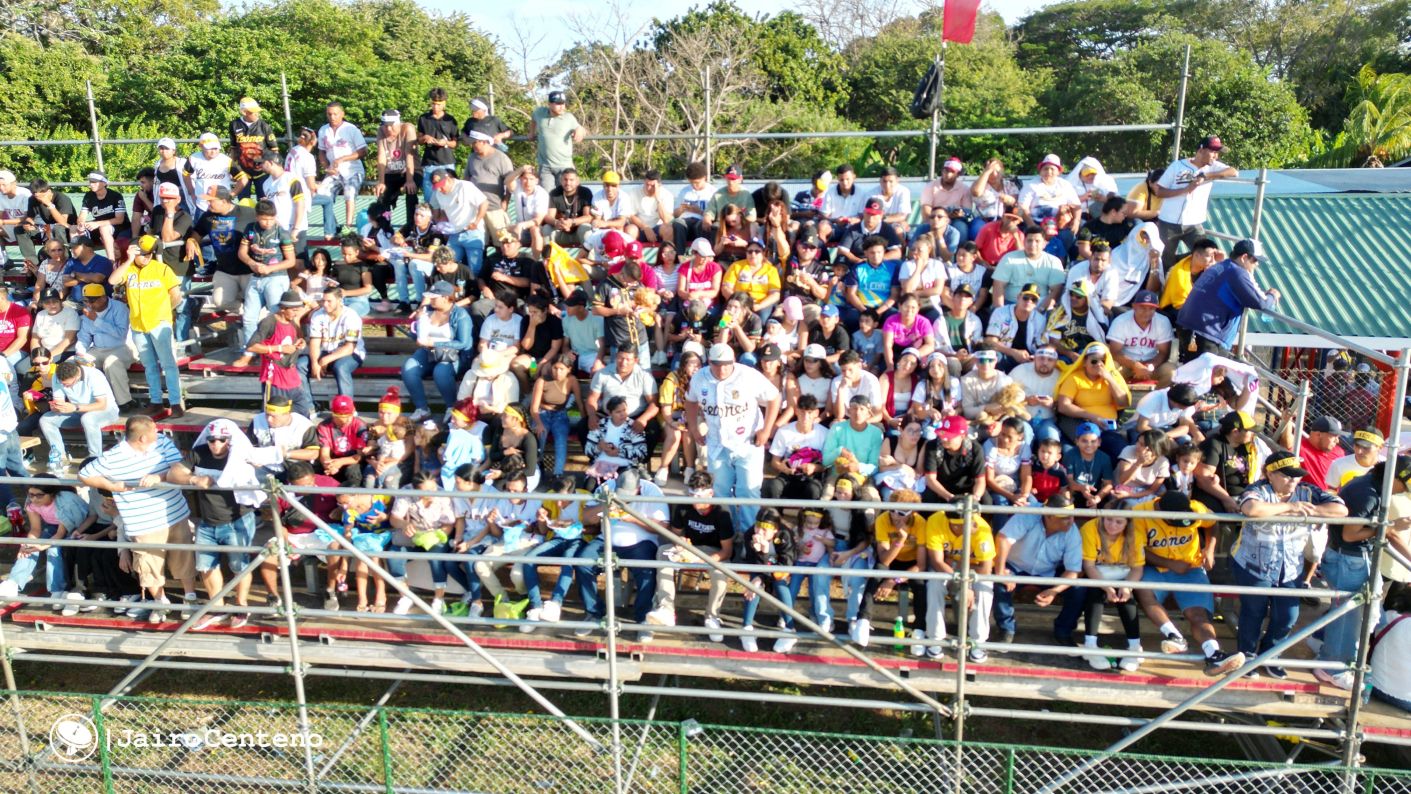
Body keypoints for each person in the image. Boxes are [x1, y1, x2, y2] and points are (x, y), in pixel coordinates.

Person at [1236, 451, 1348, 678]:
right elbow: (1252, 509)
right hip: (1253, 566)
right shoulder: (1257, 489)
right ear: (1270, 474)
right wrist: (1291, 508)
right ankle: (1247, 656)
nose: (1293, 481)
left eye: (1296, 475)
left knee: (1288, 616)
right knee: (1253, 612)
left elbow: (1342, 510)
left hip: (1290, 567)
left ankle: (1270, 655)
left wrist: (1313, 511)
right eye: (1287, 475)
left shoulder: (1307, 491)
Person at [79, 415, 199, 623]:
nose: (158, 432)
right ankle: (161, 602)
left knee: (184, 558)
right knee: (147, 565)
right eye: (154, 430)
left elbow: (179, 467)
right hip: (141, 521)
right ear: (143, 438)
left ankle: (189, 599)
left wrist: (159, 478)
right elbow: (84, 474)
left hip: (174, 513)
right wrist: (112, 486)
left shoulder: (162, 442)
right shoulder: (113, 456)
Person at [167, 419, 280, 629]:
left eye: (222, 440)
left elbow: (275, 460)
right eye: (212, 439)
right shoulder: (199, 452)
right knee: (205, 566)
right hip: (207, 520)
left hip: (237, 519)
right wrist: (193, 480)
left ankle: (241, 605)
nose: (216, 444)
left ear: (231, 440)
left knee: (240, 565)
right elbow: (174, 473)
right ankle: (217, 608)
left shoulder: (242, 455)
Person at [1314, 457, 1411, 688]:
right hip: (1348, 560)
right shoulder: (1367, 493)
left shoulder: (1371, 485)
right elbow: (1350, 534)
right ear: (1399, 479)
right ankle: (1332, 669)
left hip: (1354, 559)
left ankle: (1323, 647)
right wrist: (1390, 526)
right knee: (1349, 618)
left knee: (1360, 614)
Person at [1133, 491, 1246, 675]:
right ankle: (1174, 636)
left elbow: (1213, 523)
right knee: (1144, 592)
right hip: (1155, 568)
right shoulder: (1140, 513)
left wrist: (1209, 549)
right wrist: (1169, 564)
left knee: (1199, 614)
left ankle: (1215, 655)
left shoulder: (1196, 508)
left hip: (1189, 567)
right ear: (1161, 510)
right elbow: (1138, 550)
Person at [685, 344, 781, 534]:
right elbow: (690, 400)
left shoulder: (748, 375)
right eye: (717, 364)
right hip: (717, 443)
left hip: (748, 441)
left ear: (734, 361)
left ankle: (749, 537)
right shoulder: (700, 377)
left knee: (749, 491)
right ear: (709, 362)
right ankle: (728, 535)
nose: (722, 369)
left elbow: (774, 397)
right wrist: (694, 427)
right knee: (720, 492)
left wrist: (767, 430)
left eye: (727, 364)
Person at [644, 471, 734, 639]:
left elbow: (726, 551)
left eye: (699, 495)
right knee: (663, 552)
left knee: (720, 577)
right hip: (689, 549)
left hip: (714, 552)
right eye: (691, 494)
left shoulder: (722, 512)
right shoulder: (684, 505)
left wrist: (703, 560)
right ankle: (666, 609)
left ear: (710, 494)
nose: (694, 500)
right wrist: (680, 542)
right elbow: (675, 533)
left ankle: (712, 616)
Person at [992, 491, 1083, 645]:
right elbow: (1003, 538)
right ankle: (1006, 629)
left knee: (1079, 590)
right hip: (1015, 565)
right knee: (999, 583)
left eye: (1072, 516)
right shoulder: (1029, 513)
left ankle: (1063, 631)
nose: (1071, 521)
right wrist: (1000, 571)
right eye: (1065, 518)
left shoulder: (1072, 531)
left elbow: (1073, 571)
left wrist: (1055, 590)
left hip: (1048, 571)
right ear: (1049, 516)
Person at [109, 235, 185, 417]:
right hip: (138, 325)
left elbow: (176, 295)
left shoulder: (162, 269)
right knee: (149, 366)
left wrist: (164, 314)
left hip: (158, 324)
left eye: (149, 254)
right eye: (142, 253)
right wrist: (128, 260)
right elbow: (112, 281)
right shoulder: (129, 269)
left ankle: (175, 403)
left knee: (168, 365)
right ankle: (156, 401)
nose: (146, 257)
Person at [0, 477, 91, 612]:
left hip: (76, 528)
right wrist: (28, 544)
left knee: (54, 549)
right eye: (31, 494)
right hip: (53, 527)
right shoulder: (31, 502)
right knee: (29, 547)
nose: (34, 499)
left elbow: (60, 534)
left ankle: (57, 589)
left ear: (52, 495)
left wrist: (42, 546)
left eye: (39, 495)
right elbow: (35, 529)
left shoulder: (63, 503)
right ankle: (13, 582)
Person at [851, 491, 928, 649]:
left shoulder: (920, 523)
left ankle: (919, 629)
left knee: (920, 584)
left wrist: (894, 580)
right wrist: (901, 539)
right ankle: (863, 620)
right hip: (890, 559)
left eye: (901, 512)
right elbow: (884, 559)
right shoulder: (883, 519)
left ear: (912, 513)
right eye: (892, 509)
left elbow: (921, 565)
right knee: (877, 572)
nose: (895, 515)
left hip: (911, 563)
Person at [1154, 136, 1238, 270]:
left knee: (1206, 254)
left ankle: (1191, 278)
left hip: (1194, 223)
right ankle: (1166, 286)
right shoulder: (1177, 166)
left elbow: (1233, 171)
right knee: (1165, 260)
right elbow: (1159, 191)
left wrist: (1207, 175)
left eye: (1217, 153)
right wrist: (1185, 190)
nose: (1216, 156)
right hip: (1168, 222)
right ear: (1201, 150)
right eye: (1213, 151)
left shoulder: (1213, 167)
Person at [1077, 513, 1145, 671]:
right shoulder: (1090, 528)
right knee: (1095, 592)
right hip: (1098, 571)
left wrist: (1127, 587)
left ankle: (1135, 647)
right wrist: (1106, 588)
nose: (1112, 525)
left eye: (1119, 522)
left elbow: (1137, 568)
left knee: (1126, 597)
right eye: (1108, 519)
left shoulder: (1136, 533)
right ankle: (1090, 644)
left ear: (1127, 523)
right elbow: (1089, 566)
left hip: (1124, 573)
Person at [402, 282, 474, 419]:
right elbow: (417, 336)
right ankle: (421, 408)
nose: (430, 300)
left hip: (453, 355)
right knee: (409, 368)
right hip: (428, 352)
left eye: (434, 297)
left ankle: (451, 407)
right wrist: (416, 324)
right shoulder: (427, 310)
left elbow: (463, 343)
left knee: (441, 371)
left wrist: (435, 342)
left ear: (446, 298)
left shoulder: (461, 315)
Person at [40, 358, 120, 471]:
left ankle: (95, 458)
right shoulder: (57, 377)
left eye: (67, 384)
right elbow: (59, 401)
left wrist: (75, 407)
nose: (65, 386)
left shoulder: (94, 375)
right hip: (78, 412)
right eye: (63, 384)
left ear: (77, 376)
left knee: (88, 419)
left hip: (106, 411)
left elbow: (102, 405)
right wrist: (56, 407)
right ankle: (60, 458)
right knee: (46, 420)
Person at [243, 290, 311, 417]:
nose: (296, 313)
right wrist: (279, 348)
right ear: (283, 309)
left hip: (291, 375)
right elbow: (251, 346)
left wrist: (299, 342)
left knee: (303, 414)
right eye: (293, 310)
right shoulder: (269, 322)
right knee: (274, 415)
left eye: (298, 310)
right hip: (274, 376)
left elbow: (291, 340)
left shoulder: (291, 321)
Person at [301, 286, 365, 404]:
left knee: (341, 367)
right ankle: (308, 407)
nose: (325, 304)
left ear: (340, 300)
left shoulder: (351, 316)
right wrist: (315, 362)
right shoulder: (318, 315)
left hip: (350, 354)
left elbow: (350, 347)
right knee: (300, 365)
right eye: (323, 300)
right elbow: (315, 341)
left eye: (329, 301)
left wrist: (325, 360)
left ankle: (347, 408)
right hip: (325, 351)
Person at [316, 102, 368, 235]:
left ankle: (348, 226)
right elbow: (321, 151)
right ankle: (333, 226)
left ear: (342, 114)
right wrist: (326, 167)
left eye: (335, 114)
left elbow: (363, 151)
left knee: (349, 193)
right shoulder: (323, 130)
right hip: (334, 172)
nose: (332, 117)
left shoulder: (351, 129)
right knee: (322, 194)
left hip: (353, 170)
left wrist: (343, 158)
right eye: (329, 114)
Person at [427, 171, 488, 274]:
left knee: (475, 268)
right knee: (445, 264)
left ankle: (474, 288)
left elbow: (484, 202)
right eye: (437, 187)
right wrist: (442, 226)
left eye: (441, 186)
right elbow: (439, 211)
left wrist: (476, 222)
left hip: (472, 231)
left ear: (448, 179)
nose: (440, 189)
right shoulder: (438, 193)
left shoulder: (464, 186)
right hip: (454, 233)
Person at [1107, 290, 1173, 382]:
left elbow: (1164, 353)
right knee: (1110, 371)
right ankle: (1119, 396)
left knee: (1171, 372)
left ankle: (1156, 396)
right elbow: (1115, 352)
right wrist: (1135, 365)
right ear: (1134, 306)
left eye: (1151, 308)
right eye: (1142, 307)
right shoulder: (1120, 321)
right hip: (1125, 363)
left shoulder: (1163, 321)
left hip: (1152, 364)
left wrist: (1149, 367)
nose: (1147, 312)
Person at [530, 90, 587, 189]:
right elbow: (534, 119)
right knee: (548, 197)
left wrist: (580, 129)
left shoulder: (568, 118)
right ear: (549, 104)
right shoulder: (540, 112)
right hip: (545, 167)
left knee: (565, 194)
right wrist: (531, 132)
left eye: (563, 103)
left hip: (564, 166)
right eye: (558, 104)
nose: (562, 107)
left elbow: (581, 129)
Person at [416, 88, 460, 200]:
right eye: (434, 104)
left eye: (439, 104)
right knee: (430, 197)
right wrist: (424, 138)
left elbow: (455, 143)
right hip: (429, 163)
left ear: (444, 103)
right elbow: (418, 139)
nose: (436, 107)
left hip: (447, 163)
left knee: (450, 195)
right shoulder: (423, 118)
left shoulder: (451, 120)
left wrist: (445, 142)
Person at [317, 395, 369, 487]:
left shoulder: (360, 426)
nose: (346, 420)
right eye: (341, 418)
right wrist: (328, 465)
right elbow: (324, 454)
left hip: (352, 460)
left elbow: (360, 456)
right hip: (333, 459)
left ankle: (352, 496)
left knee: (353, 471)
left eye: (349, 416)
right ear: (333, 414)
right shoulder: (324, 426)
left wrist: (341, 462)